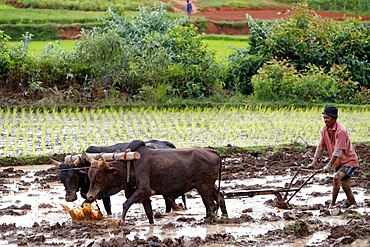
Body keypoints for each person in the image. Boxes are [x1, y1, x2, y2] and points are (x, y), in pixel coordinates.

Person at [306, 106, 359, 208]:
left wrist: (329, 165)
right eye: (324, 118)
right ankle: (353, 204)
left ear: (334, 118)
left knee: (336, 177)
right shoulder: (325, 130)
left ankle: (332, 204)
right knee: (345, 186)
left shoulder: (341, 131)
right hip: (338, 162)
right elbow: (320, 147)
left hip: (349, 161)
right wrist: (314, 163)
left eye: (327, 118)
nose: (325, 120)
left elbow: (338, 151)